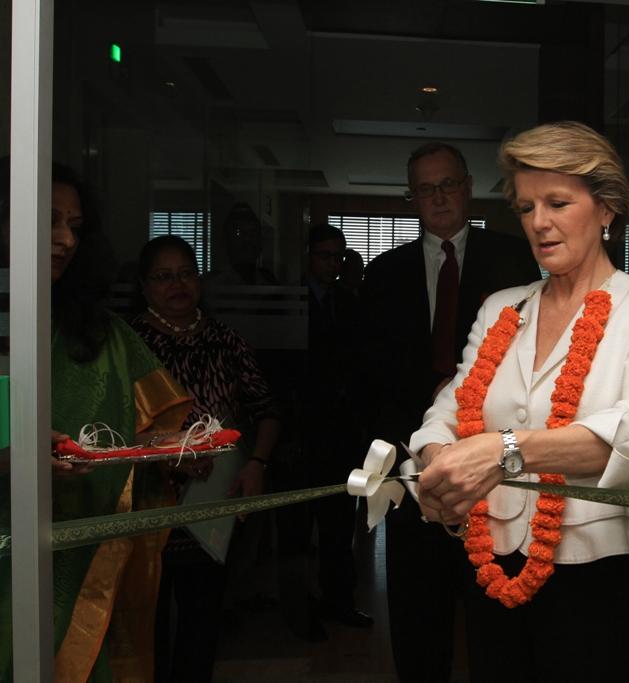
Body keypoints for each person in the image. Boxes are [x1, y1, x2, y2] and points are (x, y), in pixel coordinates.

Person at [409, 122, 629, 682]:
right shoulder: (501, 309)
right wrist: (438, 461)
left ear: (606, 208)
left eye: (558, 202)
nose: (538, 222)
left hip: (597, 569)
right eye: (526, 206)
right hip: (491, 556)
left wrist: (503, 451)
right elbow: (448, 409)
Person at [0, 164, 191, 683]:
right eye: (50, 221)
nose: (64, 239)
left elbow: (153, 424)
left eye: (76, 227)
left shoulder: (98, 331)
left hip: (72, 558)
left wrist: (176, 450)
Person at [360, 141, 538, 681]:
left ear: (468, 187)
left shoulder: (515, 259)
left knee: (496, 599)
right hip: (412, 457)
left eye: (448, 184)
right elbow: (366, 367)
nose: (438, 197)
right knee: (417, 599)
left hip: (496, 458)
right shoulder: (384, 273)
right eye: (425, 188)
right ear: (411, 198)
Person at [130, 235, 281, 682]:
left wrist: (256, 464)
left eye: (185, 273)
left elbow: (267, 409)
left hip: (210, 505)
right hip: (147, 505)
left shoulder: (224, 340)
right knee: (145, 629)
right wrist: (164, 457)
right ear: (143, 285)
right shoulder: (129, 343)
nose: (177, 284)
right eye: (163, 276)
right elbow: (112, 427)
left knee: (202, 623)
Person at [276, 224, 371, 643]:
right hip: (298, 431)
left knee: (338, 524)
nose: (331, 264)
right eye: (324, 256)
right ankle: (298, 611)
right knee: (296, 529)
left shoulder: (350, 303)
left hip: (341, 433)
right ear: (308, 256)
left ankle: (339, 600)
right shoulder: (287, 303)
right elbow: (279, 374)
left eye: (338, 256)